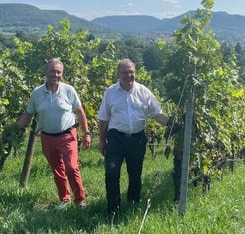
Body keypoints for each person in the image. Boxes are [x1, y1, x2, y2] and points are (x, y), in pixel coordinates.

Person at [98, 58, 177, 215]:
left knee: (135, 174)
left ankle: (133, 204)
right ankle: (113, 210)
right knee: (112, 173)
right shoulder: (110, 93)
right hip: (116, 138)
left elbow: (157, 114)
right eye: (125, 72)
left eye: (131, 72)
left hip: (137, 139)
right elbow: (103, 119)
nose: (129, 75)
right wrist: (102, 141)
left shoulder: (144, 91)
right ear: (118, 75)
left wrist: (173, 124)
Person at [16, 58, 91, 207]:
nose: (55, 74)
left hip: (67, 136)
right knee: (57, 170)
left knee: (71, 167)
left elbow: (80, 112)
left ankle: (80, 200)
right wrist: (13, 130)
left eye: (58, 72)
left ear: (62, 74)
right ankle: (64, 199)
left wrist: (86, 133)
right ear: (46, 72)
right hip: (47, 138)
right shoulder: (37, 93)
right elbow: (28, 114)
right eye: (52, 71)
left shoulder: (69, 90)